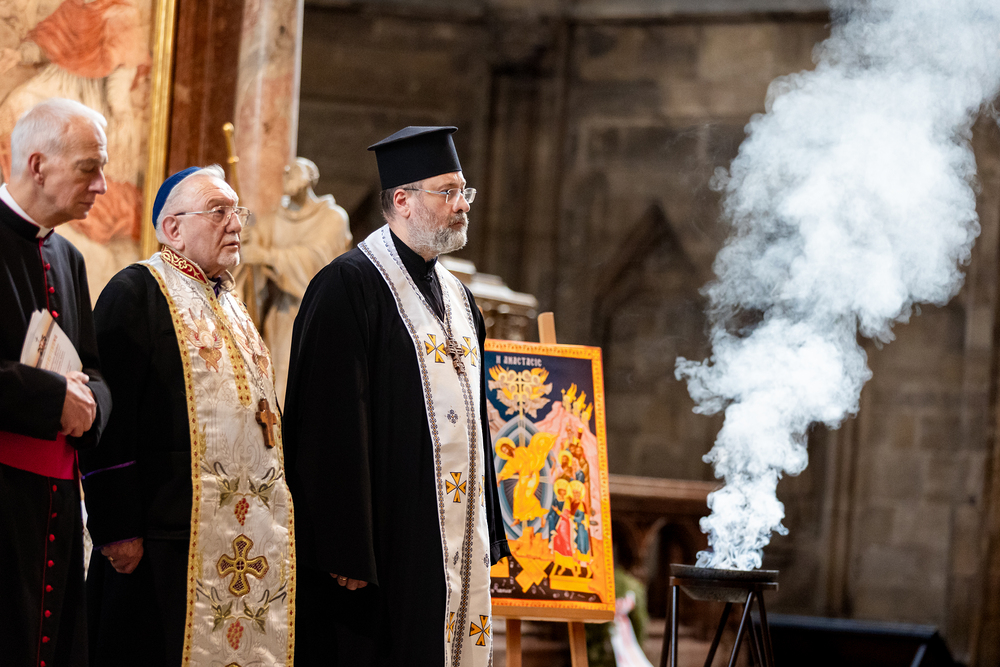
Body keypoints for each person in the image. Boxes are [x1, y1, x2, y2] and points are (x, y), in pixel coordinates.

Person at [284, 125, 509, 666]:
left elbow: (474, 419)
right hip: (383, 544)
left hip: (452, 536)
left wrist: (489, 528)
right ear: (403, 201)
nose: (463, 205)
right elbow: (324, 427)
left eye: (464, 192)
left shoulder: (460, 298)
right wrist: (343, 546)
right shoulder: (347, 286)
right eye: (448, 192)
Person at [80, 165, 295, 666]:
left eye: (237, 212)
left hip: (238, 539)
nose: (235, 224)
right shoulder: (136, 291)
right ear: (172, 228)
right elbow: (109, 419)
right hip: (162, 538)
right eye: (218, 211)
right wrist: (116, 527)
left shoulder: (232, 304)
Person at [0, 97, 112, 667]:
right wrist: (53, 398)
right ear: (38, 165)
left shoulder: (68, 257)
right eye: (89, 168)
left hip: (57, 503)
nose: (102, 186)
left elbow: (92, 367)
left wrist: (90, 403)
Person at [240, 156, 352, 404]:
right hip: (283, 314)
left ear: (311, 177)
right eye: (286, 171)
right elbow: (251, 254)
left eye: (295, 171)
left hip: (318, 314)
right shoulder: (273, 218)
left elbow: (318, 261)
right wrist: (245, 239)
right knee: (279, 381)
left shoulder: (332, 217)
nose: (287, 173)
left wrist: (267, 256)